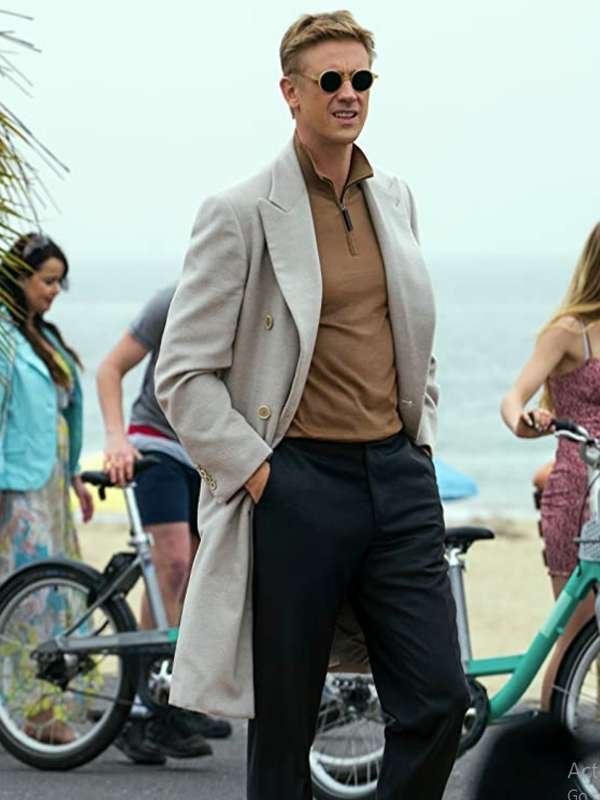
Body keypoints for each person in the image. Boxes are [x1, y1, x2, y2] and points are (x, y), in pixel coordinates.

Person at [155, 11, 469, 799]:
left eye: (361, 78)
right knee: (285, 726)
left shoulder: (395, 198)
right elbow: (183, 375)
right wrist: (265, 477)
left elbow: (411, 337)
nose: (348, 93)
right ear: (290, 92)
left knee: (439, 700)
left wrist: (419, 442)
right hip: (297, 483)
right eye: (330, 79)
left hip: (397, 477)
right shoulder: (239, 211)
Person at [96, 284, 231, 764]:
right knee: (172, 565)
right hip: (155, 443)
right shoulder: (174, 299)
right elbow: (110, 369)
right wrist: (116, 439)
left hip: (207, 453)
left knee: (198, 578)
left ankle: (173, 697)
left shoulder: (256, 305)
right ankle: (138, 709)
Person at [501, 221, 600, 710]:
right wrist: (527, 421)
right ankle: (551, 745)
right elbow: (514, 399)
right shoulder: (569, 332)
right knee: (577, 632)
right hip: (579, 490)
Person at [0, 231, 93, 743]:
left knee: (54, 590)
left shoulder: (44, 335)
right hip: (16, 488)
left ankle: (46, 703)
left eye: (60, 282)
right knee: (29, 598)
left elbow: (69, 409)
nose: (55, 290)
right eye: (47, 280)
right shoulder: (4, 338)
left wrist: (75, 474)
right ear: (20, 278)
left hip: (52, 487)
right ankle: (33, 713)